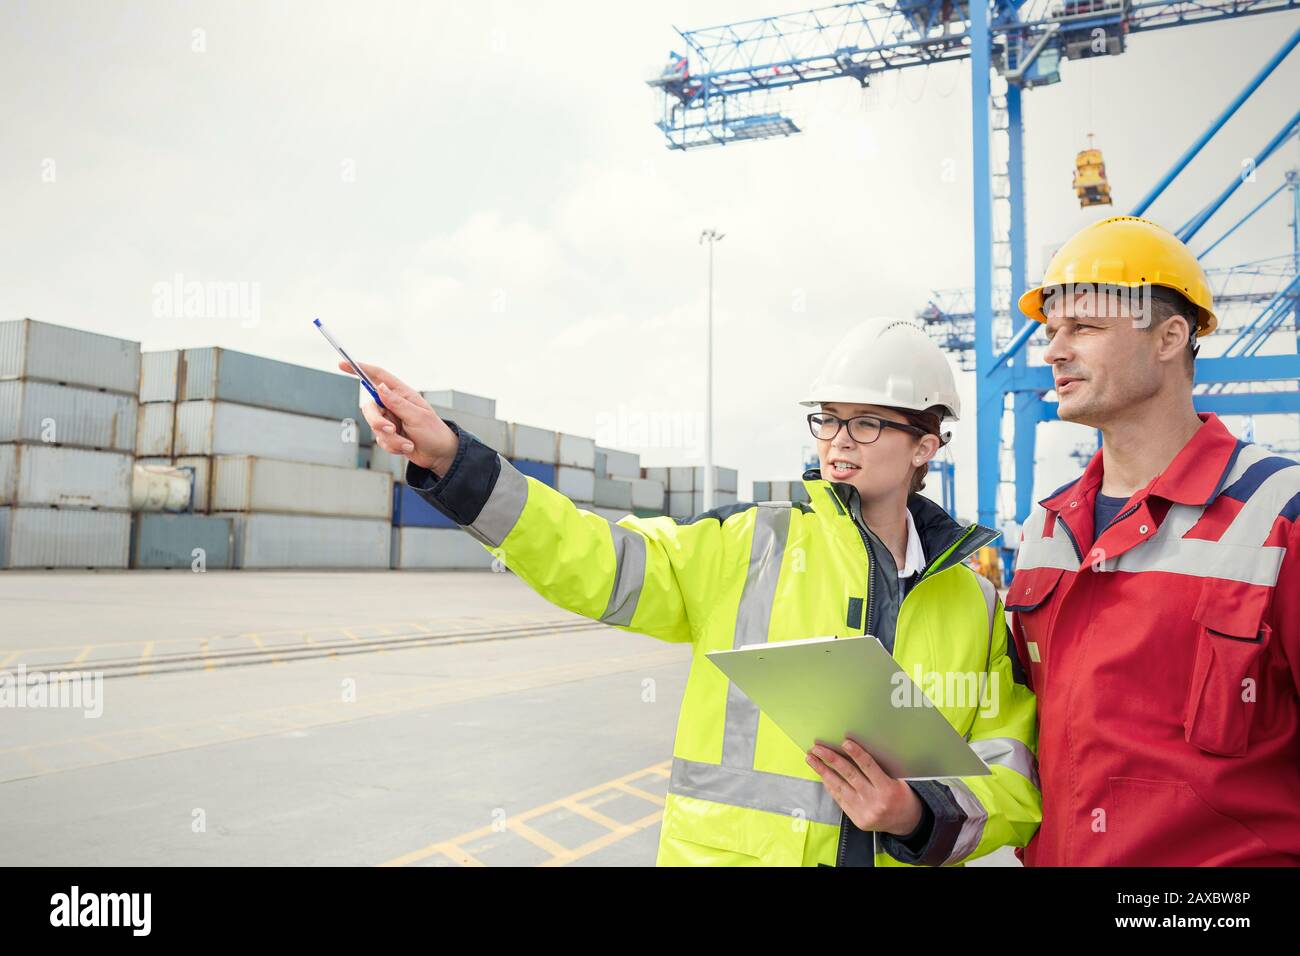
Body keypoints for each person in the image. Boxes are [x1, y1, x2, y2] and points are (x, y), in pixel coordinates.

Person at [348, 316, 1040, 866]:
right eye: (827, 418)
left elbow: (1011, 779)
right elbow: (595, 557)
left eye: (866, 422)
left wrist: (917, 817)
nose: (838, 440)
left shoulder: (972, 606)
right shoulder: (748, 544)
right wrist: (452, 462)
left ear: (925, 445)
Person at [1009, 215, 1300, 865]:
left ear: (1170, 337)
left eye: (1083, 326)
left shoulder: (1283, 517)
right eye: (1051, 331)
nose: (1054, 350)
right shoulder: (1047, 531)